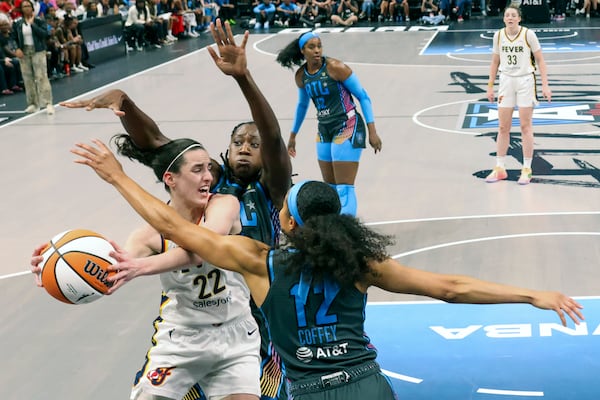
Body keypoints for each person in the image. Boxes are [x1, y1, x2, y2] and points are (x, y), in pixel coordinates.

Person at [72, 142, 585, 400]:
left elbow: (176, 228)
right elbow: (451, 287)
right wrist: (531, 295)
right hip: (366, 384)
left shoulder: (258, 260)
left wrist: (117, 176)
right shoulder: (361, 265)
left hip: (314, 392)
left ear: (287, 220)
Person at [59, 20, 292, 400]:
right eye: (238, 141)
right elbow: (157, 145)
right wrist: (125, 102)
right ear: (226, 150)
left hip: (256, 322)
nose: (247, 147)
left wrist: (244, 79)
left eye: (254, 143)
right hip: (192, 319)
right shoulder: (207, 184)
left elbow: (274, 137)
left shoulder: (271, 189)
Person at [33, 138, 262, 400]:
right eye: (197, 170)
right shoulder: (147, 237)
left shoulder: (224, 205)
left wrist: (141, 266)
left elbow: (202, 249)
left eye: (208, 168)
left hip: (237, 332)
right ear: (171, 179)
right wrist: (52, 268)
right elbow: (109, 274)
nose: (208, 177)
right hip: (183, 339)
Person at [276, 31, 382, 217]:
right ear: (303, 51)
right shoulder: (301, 76)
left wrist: (372, 131)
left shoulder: (336, 67)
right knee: (330, 189)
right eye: (312, 47)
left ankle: (348, 230)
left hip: (347, 125)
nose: (317, 51)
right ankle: (334, 228)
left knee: (344, 189)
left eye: (319, 46)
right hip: (324, 128)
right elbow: (302, 105)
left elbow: (363, 97)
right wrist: (293, 135)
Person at [485, 4, 551, 185]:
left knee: (525, 126)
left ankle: (527, 168)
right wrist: (490, 86)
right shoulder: (498, 36)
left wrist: (545, 85)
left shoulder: (528, 34)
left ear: (519, 18)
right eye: (507, 15)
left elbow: (540, 60)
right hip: (506, 81)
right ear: (504, 18)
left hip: (525, 81)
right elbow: (494, 62)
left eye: (514, 15)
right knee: (503, 127)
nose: (510, 18)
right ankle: (500, 168)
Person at [11, 0, 54, 114]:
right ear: (21, 9)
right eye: (24, 6)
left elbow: (45, 34)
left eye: (28, 6)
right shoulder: (17, 22)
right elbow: (13, 37)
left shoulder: (39, 20)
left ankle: (47, 103)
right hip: (24, 51)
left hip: (38, 51)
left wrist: (32, 24)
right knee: (28, 79)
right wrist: (17, 48)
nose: (26, 8)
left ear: (32, 8)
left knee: (41, 77)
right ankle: (32, 104)